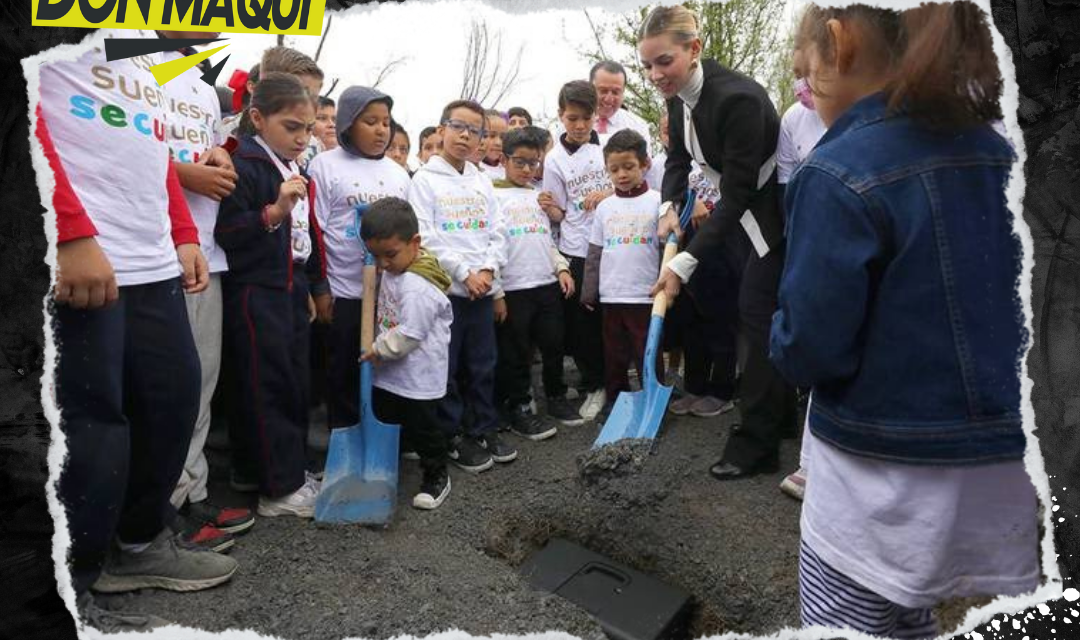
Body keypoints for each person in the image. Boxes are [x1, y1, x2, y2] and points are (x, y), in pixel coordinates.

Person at [772, 3, 1038, 637]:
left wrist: (778, 337)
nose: (810, 98)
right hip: (1008, 479)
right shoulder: (1010, 152)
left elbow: (809, 347)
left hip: (879, 491)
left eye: (808, 80)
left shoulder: (839, 171)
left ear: (840, 45)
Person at [36, 28, 237, 631]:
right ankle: (66, 583)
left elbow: (149, 149)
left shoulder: (146, 56)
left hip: (152, 261)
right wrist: (68, 229)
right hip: (84, 254)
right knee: (91, 426)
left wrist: (182, 236)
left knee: (171, 400)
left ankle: (140, 542)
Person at [643, 5, 798, 480]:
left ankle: (757, 445)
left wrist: (682, 264)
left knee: (755, 319)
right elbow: (676, 158)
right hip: (735, 218)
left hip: (766, 217)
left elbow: (737, 197)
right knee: (751, 316)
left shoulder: (739, 100)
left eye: (664, 61)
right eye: (647, 65)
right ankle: (781, 418)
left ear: (694, 49)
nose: (655, 75)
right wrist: (668, 206)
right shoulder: (677, 98)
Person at [215, 73, 329, 518]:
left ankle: (280, 469)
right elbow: (225, 230)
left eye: (308, 127)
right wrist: (274, 211)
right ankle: (277, 489)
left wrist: (309, 283)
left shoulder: (290, 165)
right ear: (258, 118)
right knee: (268, 386)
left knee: (292, 380)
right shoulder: (241, 163)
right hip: (255, 290)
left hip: (287, 286)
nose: (302, 137)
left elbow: (305, 235)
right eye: (292, 127)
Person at [159, 30, 256, 550]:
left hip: (205, 252)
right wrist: (183, 176)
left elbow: (200, 149)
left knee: (200, 384)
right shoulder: (123, 64)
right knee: (163, 391)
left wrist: (218, 156)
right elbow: (111, 151)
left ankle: (190, 493)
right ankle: (156, 510)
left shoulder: (198, 83)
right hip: (150, 255)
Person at [408, 99, 514, 473]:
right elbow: (427, 236)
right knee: (447, 368)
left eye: (475, 130)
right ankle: (450, 434)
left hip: (481, 291)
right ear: (441, 131)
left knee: (483, 363)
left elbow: (498, 231)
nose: (466, 135)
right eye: (457, 126)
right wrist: (463, 273)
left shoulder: (480, 179)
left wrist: (486, 271)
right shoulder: (424, 180)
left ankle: (482, 427)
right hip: (447, 293)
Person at [307, 86, 411, 436]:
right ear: (349, 124)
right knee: (343, 369)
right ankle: (344, 433)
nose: (382, 130)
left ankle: (381, 431)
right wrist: (320, 289)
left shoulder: (397, 174)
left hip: (387, 293)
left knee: (386, 366)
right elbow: (314, 230)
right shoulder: (325, 166)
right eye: (371, 121)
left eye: (386, 122)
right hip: (344, 291)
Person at [360, 198, 454, 509]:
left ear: (415, 243)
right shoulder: (398, 268)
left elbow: (411, 333)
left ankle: (436, 474)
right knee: (391, 418)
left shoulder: (417, 286)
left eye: (389, 255)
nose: (383, 263)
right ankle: (392, 460)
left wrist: (377, 349)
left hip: (417, 374)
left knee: (425, 427)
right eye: (376, 256)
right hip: (391, 371)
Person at [491, 126, 582, 437]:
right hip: (514, 288)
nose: (528, 169)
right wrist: (497, 291)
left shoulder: (539, 197)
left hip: (545, 284)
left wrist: (561, 269)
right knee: (516, 352)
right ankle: (519, 406)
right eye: (521, 162)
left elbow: (547, 239)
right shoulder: (491, 195)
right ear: (504, 159)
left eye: (534, 163)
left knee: (554, 344)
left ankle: (555, 396)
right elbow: (490, 246)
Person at [540, 80, 614, 421]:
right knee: (583, 323)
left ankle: (618, 381)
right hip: (577, 247)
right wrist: (547, 206)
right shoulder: (553, 159)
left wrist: (607, 195)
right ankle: (595, 383)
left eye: (586, 117)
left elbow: (628, 182)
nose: (580, 125)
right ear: (561, 116)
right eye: (572, 118)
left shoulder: (608, 147)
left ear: (594, 115)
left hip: (613, 243)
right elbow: (559, 211)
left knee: (612, 317)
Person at [580, 130, 663, 423]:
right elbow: (594, 253)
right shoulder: (605, 207)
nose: (622, 174)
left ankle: (654, 400)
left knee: (647, 353)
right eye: (614, 169)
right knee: (614, 354)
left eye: (629, 166)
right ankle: (617, 402)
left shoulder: (658, 202)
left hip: (646, 295)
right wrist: (590, 292)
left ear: (645, 164)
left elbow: (668, 249)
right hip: (612, 295)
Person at [775, 46, 828, 503]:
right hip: (812, 233)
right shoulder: (795, 118)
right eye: (800, 75)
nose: (804, 85)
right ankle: (811, 463)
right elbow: (787, 182)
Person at [554, 61, 653, 154]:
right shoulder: (568, 125)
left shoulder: (637, 126)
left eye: (615, 92)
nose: (609, 99)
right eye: (603, 91)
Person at [480, 108, 508, 180]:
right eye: (491, 136)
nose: (498, 143)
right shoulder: (469, 169)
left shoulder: (509, 168)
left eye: (502, 137)